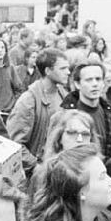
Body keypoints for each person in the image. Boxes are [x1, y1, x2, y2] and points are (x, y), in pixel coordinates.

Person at [7, 48, 69, 177]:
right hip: (37, 175)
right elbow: (15, 144)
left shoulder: (63, 94)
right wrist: (38, 167)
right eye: (62, 69)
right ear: (47, 71)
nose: (68, 72)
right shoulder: (29, 100)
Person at [60, 60, 111, 159]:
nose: (95, 84)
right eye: (89, 80)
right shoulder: (65, 116)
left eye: (98, 79)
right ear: (77, 84)